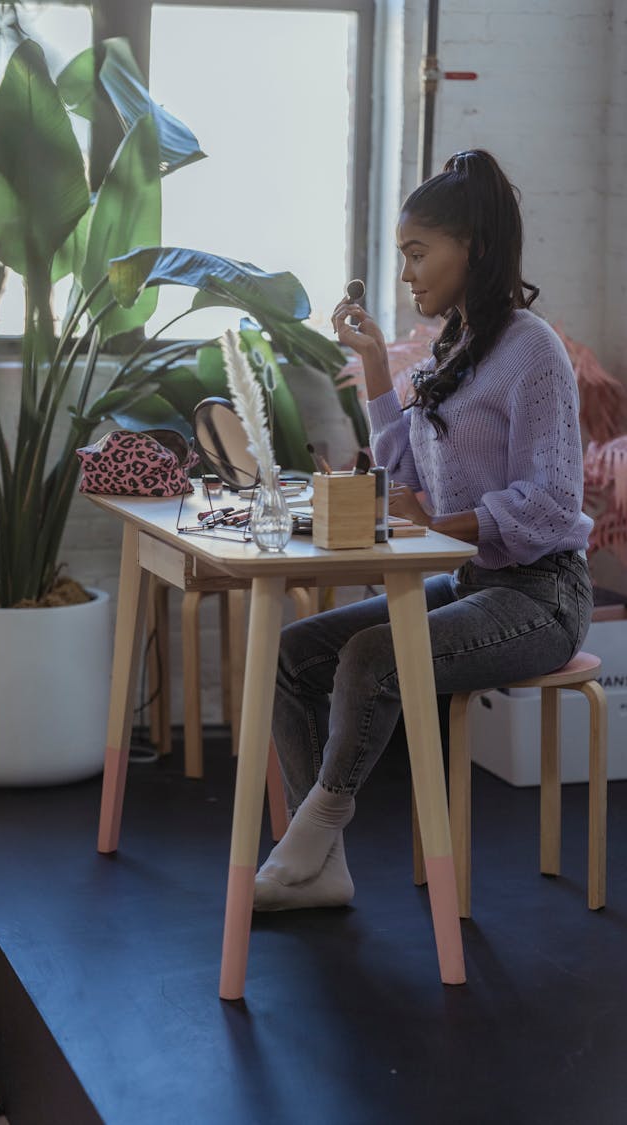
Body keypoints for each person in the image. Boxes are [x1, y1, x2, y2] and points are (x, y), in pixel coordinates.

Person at [253, 149, 594, 912]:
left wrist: (442, 523)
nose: (406, 273)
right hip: (475, 582)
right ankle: (325, 864)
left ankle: (315, 826)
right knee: (294, 655)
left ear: (469, 244)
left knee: (377, 654)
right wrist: (376, 364)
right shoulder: (457, 348)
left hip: (542, 594)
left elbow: (550, 499)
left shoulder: (532, 350)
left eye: (417, 252)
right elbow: (406, 475)